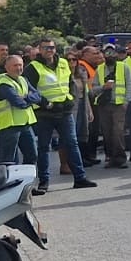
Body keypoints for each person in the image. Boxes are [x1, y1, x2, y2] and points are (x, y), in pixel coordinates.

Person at [25, 38, 95, 194]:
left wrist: (70, 98)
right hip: (45, 113)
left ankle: (80, 178)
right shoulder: (33, 67)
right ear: (40, 50)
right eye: (45, 48)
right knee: (44, 148)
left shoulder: (63, 63)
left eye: (51, 47)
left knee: (72, 143)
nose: (49, 50)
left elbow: (69, 82)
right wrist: (46, 104)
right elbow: (29, 90)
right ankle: (44, 181)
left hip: (64, 111)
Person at [0, 54, 44, 174]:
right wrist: (29, 99)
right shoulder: (4, 84)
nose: (18, 68)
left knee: (32, 155)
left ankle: (25, 181)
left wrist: (26, 97)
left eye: (20, 65)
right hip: (10, 126)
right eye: (15, 65)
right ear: (7, 67)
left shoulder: (23, 80)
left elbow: (38, 96)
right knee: (9, 160)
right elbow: (19, 103)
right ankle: (9, 186)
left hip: (25, 124)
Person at [90, 45, 131, 168]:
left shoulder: (124, 67)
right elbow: (94, 88)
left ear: (116, 54)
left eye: (112, 52)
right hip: (104, 105)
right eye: (107, 53)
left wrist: (126, 101)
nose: (110, 55)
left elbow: (129, 84)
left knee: (118, 132)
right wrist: (103, 87)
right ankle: (111, 157)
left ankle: (121, 158)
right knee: (107, 133)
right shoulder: (100, 69)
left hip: (119, 104)